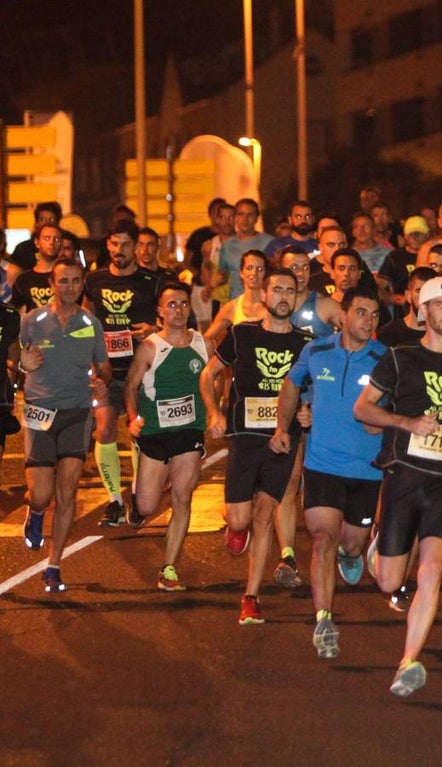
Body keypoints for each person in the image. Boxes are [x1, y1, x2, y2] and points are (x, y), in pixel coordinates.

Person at [352, 276, 442, 697]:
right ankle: (382, 547)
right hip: (404, 478)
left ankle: (409, 660)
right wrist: (406, 422)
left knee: (431, 570)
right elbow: (363, 409)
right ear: (423, 310)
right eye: (440, 305)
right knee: (391, 583)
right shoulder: (399, 357)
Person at [272, 287, 386, 658]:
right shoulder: (315, 350)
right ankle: (324, 620)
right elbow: (292, 384)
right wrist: (283, 425)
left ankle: (352, 554)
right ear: (343, 314)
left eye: (374, 315)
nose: (368, 321)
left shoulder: (385, 359)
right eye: (362, 312)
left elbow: (403, 404)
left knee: (350, 543)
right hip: (321, 464)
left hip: (367, 470)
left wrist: (383, 425)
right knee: (322, 538)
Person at [199, 268, 311, 624]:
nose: (282, 296)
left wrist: (307, 412)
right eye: (276, 289)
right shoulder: (242, 334)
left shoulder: (306, 344)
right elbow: (208, 374)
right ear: (264, 295)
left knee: (264, 515)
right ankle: (235, 525)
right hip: (245, 438)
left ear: (296, 298)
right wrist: (214, 412)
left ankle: (250, 596)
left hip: (282, 439)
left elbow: (312, 391)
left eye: (289, 291)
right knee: (241, 517)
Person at [18, 258, 112, 592]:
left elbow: (104, 368)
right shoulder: (32, 320)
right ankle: (36, 512)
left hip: (77, 411)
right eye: (63, 281)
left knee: (68, 489)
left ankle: (54, 566)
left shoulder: (91, 323)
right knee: (41, 493)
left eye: (75, 281)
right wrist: (20, 365)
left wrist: (101, 382)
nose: (69, 287)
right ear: (52, 283)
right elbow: (15, 359)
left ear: (82, 282)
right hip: (39, 411)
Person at [123, 283, 212, 590]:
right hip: (155, 433)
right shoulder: (150, 347)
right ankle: (134, 503)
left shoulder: (204, 345)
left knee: (182, 496)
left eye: (183, 304)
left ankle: (168, 568)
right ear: (159, 311)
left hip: (190, 431)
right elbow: (131, 385)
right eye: (171, 305)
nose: (178, 310)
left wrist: (215, 411)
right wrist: (133, 420)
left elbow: (217, 379)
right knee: (148, 507)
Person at [84, 220, 163, 527]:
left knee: (138, 432)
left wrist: (156, 329)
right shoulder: (94, 280)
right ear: (108, 245)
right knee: (103, 429)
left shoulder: (152, 281)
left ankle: (138, 496)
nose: (119, 250)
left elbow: (175, 317)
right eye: (114, 244)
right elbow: (84, 318)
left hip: (140, 373)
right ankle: (114, 500)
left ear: (137, 246)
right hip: (105, 372)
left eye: (126, 244)